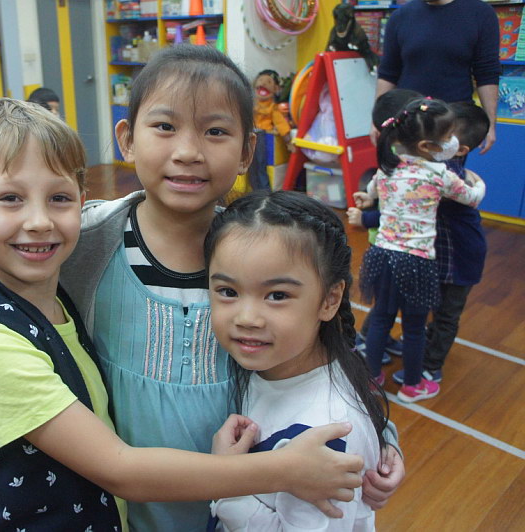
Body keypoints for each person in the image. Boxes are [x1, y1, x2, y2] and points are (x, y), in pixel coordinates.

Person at [0, 98, 364, 531]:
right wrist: (286, 470)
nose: (38, 221)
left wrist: (370, 438)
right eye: (10, 199)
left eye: (59, 198)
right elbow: (120, 469)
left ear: (81, 204)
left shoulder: (58, 300)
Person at [60, 45, 405, 531]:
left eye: (215, 131)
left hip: (241, 513)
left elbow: (320, 363)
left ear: (246, 151)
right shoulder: (84, 242)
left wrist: (379, 438)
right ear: (127, 140)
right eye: (165, 126)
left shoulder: (266, 252)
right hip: (119, 510)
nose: (188, 152)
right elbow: (9, 318)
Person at [207, 190, 388, 531]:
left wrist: (227, 483)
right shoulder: (265, 361)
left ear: (330, 300)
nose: (247, 318)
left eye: (277, 295)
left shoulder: (328, 433)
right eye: (228, 292)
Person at [354, 97, 486, 403]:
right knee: (414, 327)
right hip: (417, 262)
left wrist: (366, 199)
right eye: (448, 136)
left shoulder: (387, 168)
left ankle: (372, 378)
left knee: (382, 318)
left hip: (382, 256)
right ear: (428, 145)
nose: (453, 141)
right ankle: (413, 387)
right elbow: (471, 198)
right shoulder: (440, 175)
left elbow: (371, 191)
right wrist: (478, 183)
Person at [392, 101, 491, 386]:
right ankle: (424, 344)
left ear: (460, 149)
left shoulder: (443, 176)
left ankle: (431, 367)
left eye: (445, 134)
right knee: (429, 304)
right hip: (440, 252)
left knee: (447, 314)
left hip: (461, 257)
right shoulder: (436, 168)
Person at [350, 89, 423, 363]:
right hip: (390, 244)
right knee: (386, 308)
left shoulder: (397, 153)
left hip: (389, 243)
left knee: (386, 307)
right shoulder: (404, 160)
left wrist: (370, 203)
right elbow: (397, 211)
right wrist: (367, 215)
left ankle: (372, 342)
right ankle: (369, 346)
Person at [375, 0, 501, 153]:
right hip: (407, 122)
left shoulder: (481, 13)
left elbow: (487, 74)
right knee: (405, 169)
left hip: (452, 126)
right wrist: (376, 120)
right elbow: (388, 73)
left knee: (446, 169)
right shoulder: (400, 16)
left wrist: (490, 125)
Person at [247, 69, 292, 191]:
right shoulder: (251, 104)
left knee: (260, 165)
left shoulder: (273, 108)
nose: (263, 83)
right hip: (249, 135)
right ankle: (255, 191)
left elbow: (281, 123)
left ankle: (264, 191)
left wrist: (288, 139)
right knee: (251, 167)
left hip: (262, 136)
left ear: (276, 89)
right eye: (261, 81)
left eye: (268, 82)